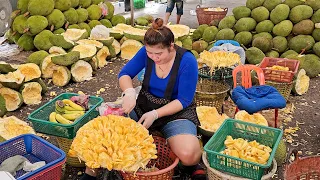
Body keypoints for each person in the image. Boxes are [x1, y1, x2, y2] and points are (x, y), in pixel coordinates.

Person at [80, 18, 207, 180]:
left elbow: (184, 100)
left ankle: (188, 165)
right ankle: (92, 170)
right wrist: (129, 92)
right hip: (144, 106)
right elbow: (125, 74)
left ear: (171, 47)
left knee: (190, 154)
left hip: (176, 113)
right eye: (150, 53)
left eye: (159, 53)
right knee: (105, 127)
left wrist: (155, 114)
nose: (154, 57)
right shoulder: (147, 53)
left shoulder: (187, 61)